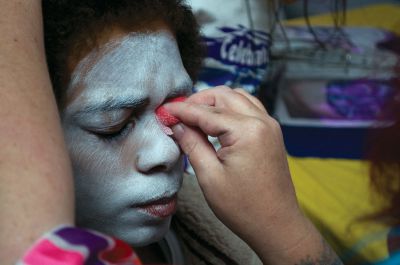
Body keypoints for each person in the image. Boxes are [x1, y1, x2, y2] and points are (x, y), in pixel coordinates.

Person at [1, 0, 343, 265]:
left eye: (174, 111)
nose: (167, 153)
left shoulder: (218, 229)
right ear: (33, 136)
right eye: (114, 125)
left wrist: (282, 226)